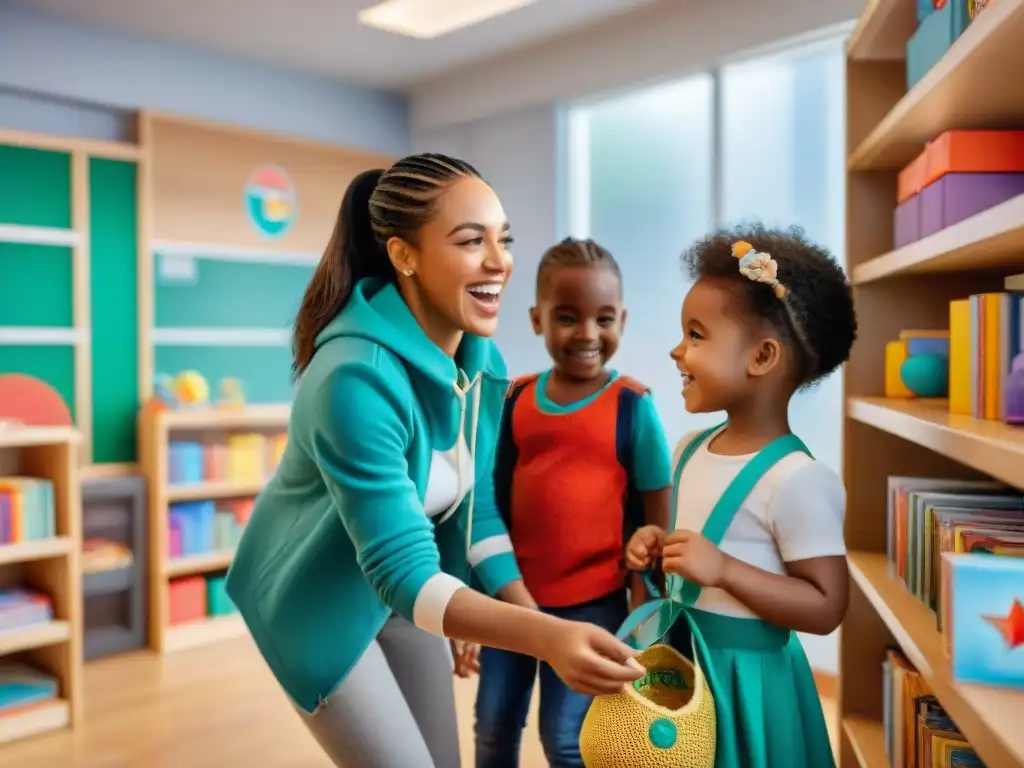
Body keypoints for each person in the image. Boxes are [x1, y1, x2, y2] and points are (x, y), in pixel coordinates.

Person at [224, 154, 644, 768]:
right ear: (404, 256)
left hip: (394, 590)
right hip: (315, 603)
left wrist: (527, 615)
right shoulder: (354, 381)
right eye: (472, 241)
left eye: (503, 239)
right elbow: (403, 574)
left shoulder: (483, 364)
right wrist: (548, 636)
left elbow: (474, 512)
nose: (499, 262)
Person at [624, 224, 857, 768]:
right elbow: (696, 555)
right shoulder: (687, 450)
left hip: (750, 685)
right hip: (683, 666)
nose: (676, 350)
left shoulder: (797, 479)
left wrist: (723, 569)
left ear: (762, 357)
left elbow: (826, 607)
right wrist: (659, 547)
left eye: (697, 335)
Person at [474, 237, 673, 768]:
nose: (587, 334)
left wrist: (646, 582)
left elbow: (657, 512)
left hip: (595, 606)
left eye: (603, 319)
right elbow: (487, 499)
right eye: (567, 317)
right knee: (493, 728)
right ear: (537, 319)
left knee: (566, 741)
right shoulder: (513, 400)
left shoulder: (633, 404)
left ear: (622, 321)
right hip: (510, 603)